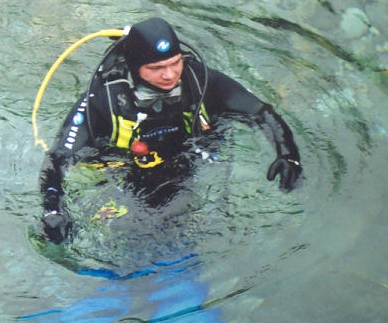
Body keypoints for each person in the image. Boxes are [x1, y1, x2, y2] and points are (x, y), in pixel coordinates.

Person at [38, 17, 302, 245]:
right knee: (123, 231)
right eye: (156, 68)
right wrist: (53, 211)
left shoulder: (199, 80)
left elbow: (261, 113)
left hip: (184, 160)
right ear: (135, 67)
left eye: (175, 63)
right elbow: (57, 158)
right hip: (119, 168)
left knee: (183, 220)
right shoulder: (102, 99)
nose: (170, 75)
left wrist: (288, 154)